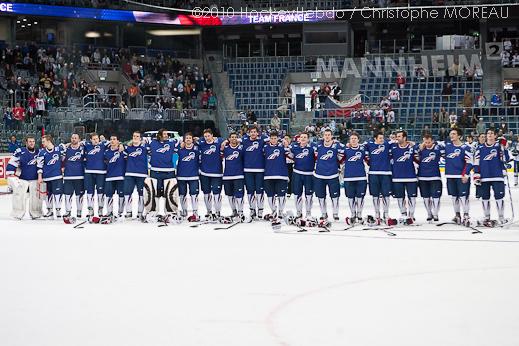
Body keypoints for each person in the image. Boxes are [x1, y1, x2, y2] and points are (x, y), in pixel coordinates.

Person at [473, 129, 510, 226]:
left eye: (491, 133)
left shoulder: (499, 146)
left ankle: (501, 217)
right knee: (485, 197)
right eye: (488, 133)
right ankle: (486, 217)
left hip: (497, 176)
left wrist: (504, 146)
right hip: (484, 177)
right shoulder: (480, 147)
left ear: (495, 136)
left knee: (499, 197)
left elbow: (506, 158)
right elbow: (476, 162)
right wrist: (476, 175)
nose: (489, 135)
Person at [145, 129, 178, 219]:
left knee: (169, 193)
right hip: (155, 171)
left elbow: (184, 142)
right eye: (164, 134)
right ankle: (154, 212)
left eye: (167, 134)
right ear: (159, 135)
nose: (166, 135)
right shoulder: (152, 142)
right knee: (155, 192)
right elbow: (141, 144)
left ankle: (170, 212)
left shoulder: (172, 143)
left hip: (169, 171)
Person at [6, 135, 42, 219]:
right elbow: (12, 162)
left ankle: (36, 213)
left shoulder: (39, 152)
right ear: (26, 142)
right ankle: (17, 213)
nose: (32, 143)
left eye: (33, 141)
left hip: (35, 179)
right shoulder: (20, 151)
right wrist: (11, 173)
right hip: (22, 179)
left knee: (36, 198)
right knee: (19, 196)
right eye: (30, 141)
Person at [313, 128, 344, 224]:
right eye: (325, 135)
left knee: (335, 196)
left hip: (333, 175)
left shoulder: (337, 146)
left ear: (331, 136)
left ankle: (335, 213)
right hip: (319, 175)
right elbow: (314, 157)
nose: (327, 136)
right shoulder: (317, 146)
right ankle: (324, 213)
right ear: (323, 136)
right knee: (321, 196)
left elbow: (341, 158)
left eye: (328, 135)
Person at [365, 132, 395, 225]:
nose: (382, 139)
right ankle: (377, 214)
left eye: (383, 138)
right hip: (373, 173)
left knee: (386, 194)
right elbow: (361, 148)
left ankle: (386, 213)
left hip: (386, 173)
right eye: (380, 138)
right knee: (375, 195)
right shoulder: (369, 145)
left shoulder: (387, 144)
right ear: (375, 138)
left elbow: (400, 142)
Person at [444, 128, 473, 225]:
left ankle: (466, 215)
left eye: (454, 134)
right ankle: (457, 215)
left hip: (461, 177)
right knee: (454, 197)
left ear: (459, 136)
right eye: (450, 134)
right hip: (450, 176)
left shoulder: (466, 148)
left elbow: (469, 163)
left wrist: (466, 174)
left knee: (463, 196)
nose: (451, 135)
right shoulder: (447, 147)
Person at [390, 130, 418, 224]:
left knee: (412, 197)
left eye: (399, 136)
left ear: (404, 137)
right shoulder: (393, 147)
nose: (397, 138)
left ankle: (411, 215)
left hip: (411, 177)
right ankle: (403, 214)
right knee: (400, 197)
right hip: (397, 177)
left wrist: (414, 144)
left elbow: (418, 157)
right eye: (396, 136)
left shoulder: (412, 147)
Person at [415, 134, 444, 222]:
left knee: (436, 197)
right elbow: (413, 153)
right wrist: (418, 148)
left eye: (429, 142)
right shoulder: (420, 149)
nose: (427, 144)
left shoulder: (438, 148)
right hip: (422, 177)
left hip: (435, 177)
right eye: (425, 142)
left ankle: (435, 213)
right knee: (426, 197)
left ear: (432, 141)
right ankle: (429, 213)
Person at [242, 126, 268, 219]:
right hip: (247, 170)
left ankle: (260, 210)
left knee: (259, 191)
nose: (253, 133)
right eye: (251, 132)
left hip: (260, 170)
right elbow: (232, 140)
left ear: (258, 133)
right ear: (248, 133)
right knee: (250, 190)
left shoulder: (262, 141)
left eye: (254, 132)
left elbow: (274, 139)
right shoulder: (244, 141)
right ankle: (252, 209)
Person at [263, 131, 289, 222]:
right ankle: (273, 210)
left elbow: (290, 155)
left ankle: (281, 211)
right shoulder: (265, 148)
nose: (273, 140)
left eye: (275, 138)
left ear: (278, 138)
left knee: (281, 195)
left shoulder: (283, 147)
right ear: (269, 139)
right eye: (272, 138)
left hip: (281, 175)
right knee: (270, 195)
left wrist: (286, 145)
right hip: (268, 175)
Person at [288, 132, 315, 219]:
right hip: (297, 174)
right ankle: (298, 212)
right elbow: (286, 151)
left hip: (309, 175)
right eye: (301, 137)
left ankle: (308, 212)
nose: (303, 139)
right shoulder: (294, 147)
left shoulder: (312, 148)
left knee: (309, 194)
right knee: (297, 193)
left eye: (305, 137)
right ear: (299, 139)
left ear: (308, 139)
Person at [198, 129, 223, 220]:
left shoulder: (218, 143)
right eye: (205, 136)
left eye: (208, 136)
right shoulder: (201, 144)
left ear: (212, 135)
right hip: (204, 172)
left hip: (217, 173)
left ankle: (217, 211)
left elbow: (225, 140)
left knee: (217, 193)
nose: (207, 138)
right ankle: (209, 211)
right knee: (206, 193)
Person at [342, 132, 367, 225]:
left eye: (355, 138)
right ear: (349, 140)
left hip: (361, 177)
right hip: (348, 177)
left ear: (358, 140)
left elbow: (368, 160)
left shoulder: (363, 150)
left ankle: (359, 214)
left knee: (360, 197)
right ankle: (353, 214)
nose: (353, 140)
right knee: (350, 197)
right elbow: (340, 160)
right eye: (351, 138)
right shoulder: (345, 150)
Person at [123, 131, 148, 221]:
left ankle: (140, 213)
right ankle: (129, 212)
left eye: (137, 136)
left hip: (142, 174)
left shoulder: (145, 148)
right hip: (129, 173)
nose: (135, 137)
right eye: (134, 136)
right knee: (127, 193)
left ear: (140, 138)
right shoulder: (127, 148)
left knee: (141, 194)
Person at [37, 135, 64, 218]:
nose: (42, 143)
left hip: (57, 176)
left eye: (43, 141)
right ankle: (50, 210)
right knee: (48, 195)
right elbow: (39, 165)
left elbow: (64, 159)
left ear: (49, 141)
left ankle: (58, 210)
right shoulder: (41, 152)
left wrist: (63, 167)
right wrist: (40, 176)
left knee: (58, 194)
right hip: (46, 177)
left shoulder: (59, 149)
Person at [175, 132, 200, 221]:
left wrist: (198, 140)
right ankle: (184, 211)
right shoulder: (180, 149)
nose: (188, 139)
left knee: (194, 195)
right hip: (181, 176)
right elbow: (172, 144)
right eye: (187, 138)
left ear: (192, 139)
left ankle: (195, 212)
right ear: (184, 140)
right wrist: (179, 143)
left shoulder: (197, 149)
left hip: (193, 176)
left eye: (190, 138)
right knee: (182, 195)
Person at [221, 132, 245, 221]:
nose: (234, 138)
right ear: (229, 139)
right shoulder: (225, 149)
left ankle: (240, 212)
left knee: (239, 195)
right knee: (230, 195)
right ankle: (234, 211)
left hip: (238, 175)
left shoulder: (241, 148)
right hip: (227, 176)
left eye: (235, 137)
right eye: (232, 137)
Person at [83, 133, 108, 217]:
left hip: (101, 172)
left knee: (100, 192)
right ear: (90, 140)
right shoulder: (86, 145)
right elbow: (77, 143)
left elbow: (114, 143)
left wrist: (104, 140)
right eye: (94, 139)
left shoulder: (104, 145)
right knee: (90, 192)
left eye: (97, 138)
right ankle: (90, 210)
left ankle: (100, 209)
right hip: (89, 172)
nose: (96, 140)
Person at [62, 134, 85, 221]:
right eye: (72, 138)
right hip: (68, 175)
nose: (74, 139)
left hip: (79, 175)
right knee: (68, 195)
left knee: (79, 195)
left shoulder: (83, 148)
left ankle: (79, 211)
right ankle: (68, 211)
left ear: (79, 139)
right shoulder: (66, 149)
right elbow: (62, 160)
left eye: (75, 138)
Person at [104, 134, 126, 219]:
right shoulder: (106, 152)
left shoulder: (123, 151)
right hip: (109, 177)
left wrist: (121, 145)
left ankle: (120, 213)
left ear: (118, 141)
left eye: (114, 139)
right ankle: (109, 212)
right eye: (111, 139)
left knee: (121, 195)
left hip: (120, 177)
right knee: (109, 195)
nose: (112, 141)